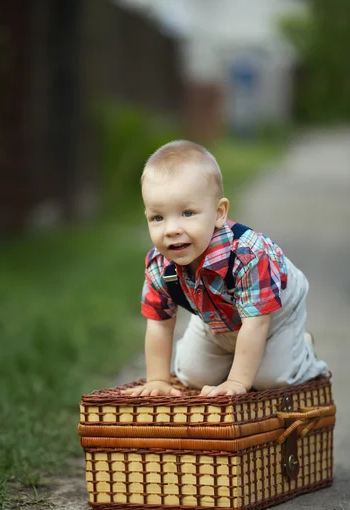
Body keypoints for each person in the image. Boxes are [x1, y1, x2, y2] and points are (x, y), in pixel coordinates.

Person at [123, 140, 329, 398]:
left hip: (273, 313)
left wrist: (237, 383)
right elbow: (159, 324)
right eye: (158, 218)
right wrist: (157, 379)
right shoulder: (160, 265)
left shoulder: (247, 255)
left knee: (271, 378)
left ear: (219, 212)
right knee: (191, 375)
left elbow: (256, 323)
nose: (171, 229)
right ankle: (237, 357)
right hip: (218, 316)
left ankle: (303, 350)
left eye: (187, 213)